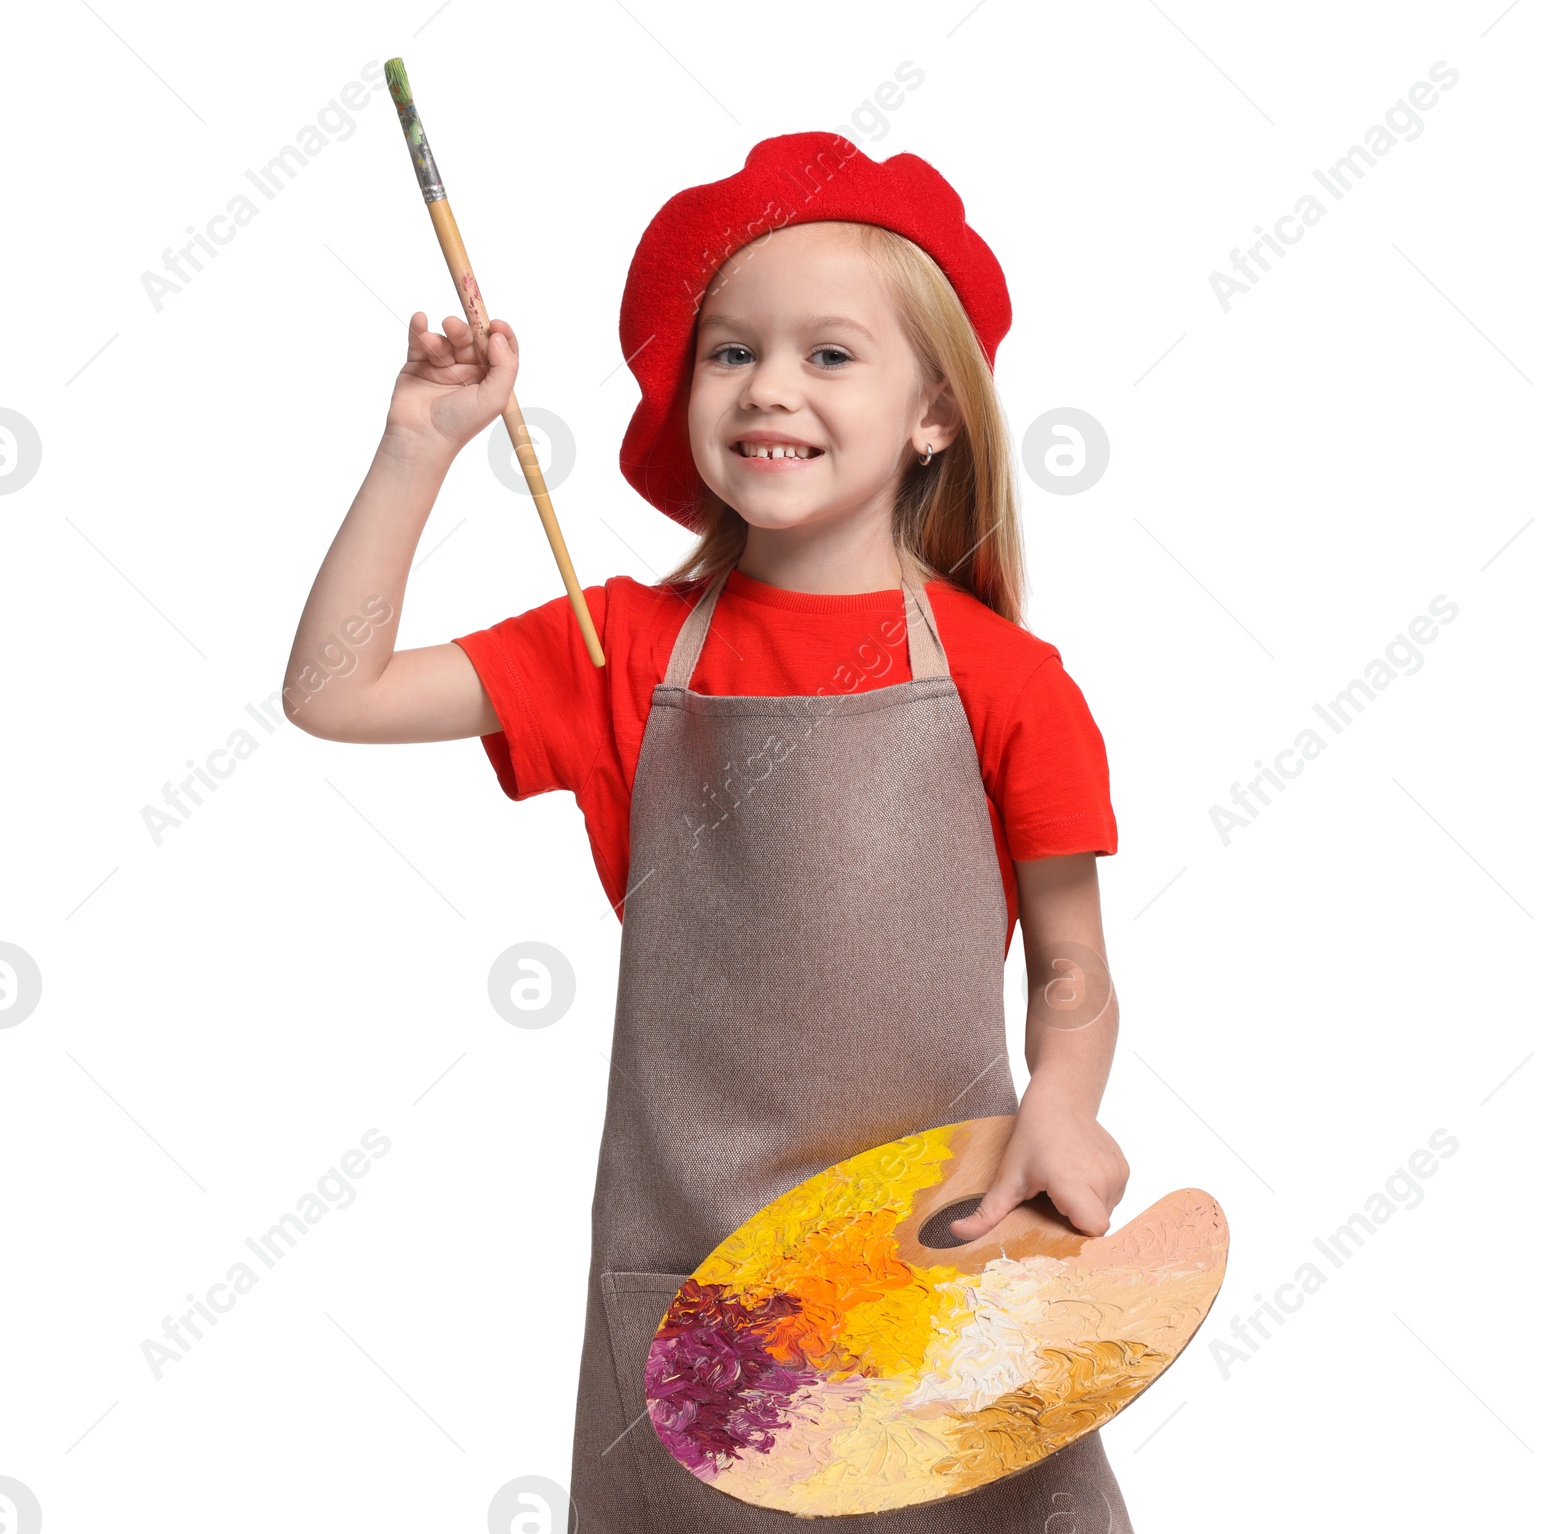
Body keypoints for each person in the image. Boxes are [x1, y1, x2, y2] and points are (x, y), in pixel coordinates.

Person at [283, 131, 1135, 1530]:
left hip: (942, 1265)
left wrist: (1062, 1108)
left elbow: (1073, 971)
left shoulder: (1009, 679)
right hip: (693, 1294)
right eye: (730, 353)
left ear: (937, 411)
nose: (768, 387)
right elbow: (332, 692)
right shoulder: (621, 648)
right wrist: (417, 448)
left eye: (830, 355)